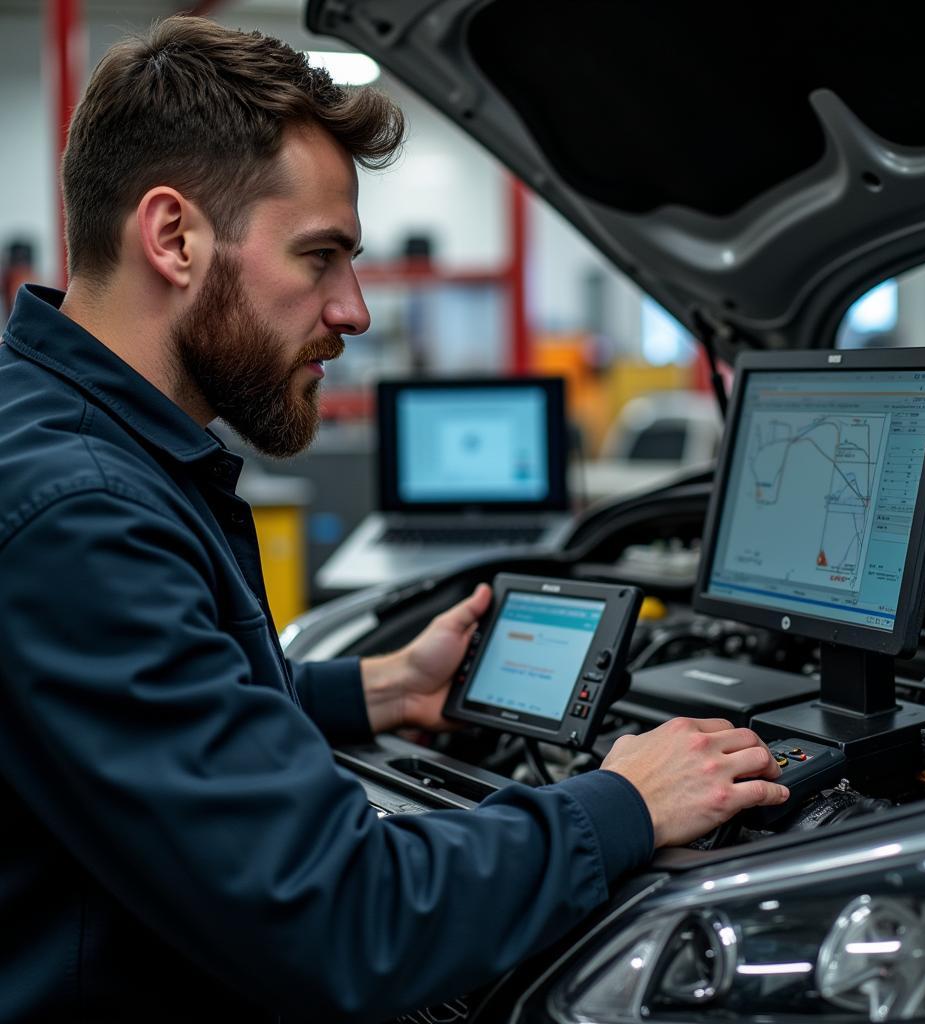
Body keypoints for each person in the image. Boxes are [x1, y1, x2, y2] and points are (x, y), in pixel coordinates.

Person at [0, 16, 788, 1022]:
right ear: (173, 236)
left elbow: (183, 705)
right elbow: (346, 916)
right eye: (319, 256)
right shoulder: (83, 512)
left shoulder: (67, 434)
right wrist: (623, 801)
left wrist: (379, 688)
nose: (356, 309)